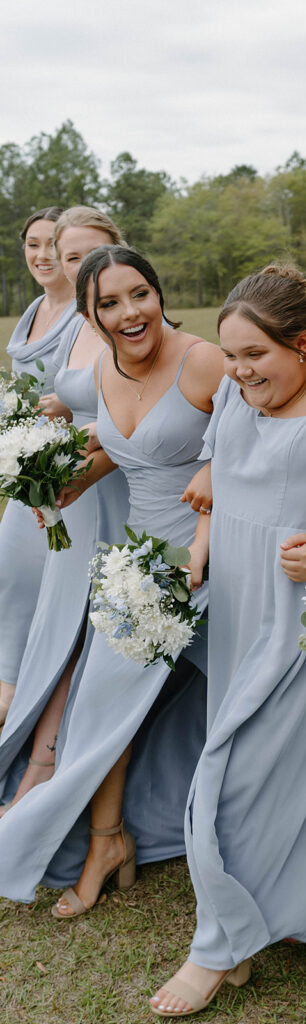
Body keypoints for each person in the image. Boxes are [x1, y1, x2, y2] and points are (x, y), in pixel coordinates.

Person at [149, 264, 306, 1017]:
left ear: (301, 344)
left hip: (301, 621)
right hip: (236, 605)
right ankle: (288, 905)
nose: (239, 370)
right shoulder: (234, 394)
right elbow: (221, 477)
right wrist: (199, 547)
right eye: (230, 355)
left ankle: (216, 949)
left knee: (239, 773)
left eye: (255, 355)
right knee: (277, 770)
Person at [0, 246, 223, 911]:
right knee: (100, 704)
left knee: (244, 704)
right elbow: (123, 443)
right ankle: (106, 841)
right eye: (110, 303)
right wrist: (66, 478)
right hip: (141, 566)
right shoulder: (102, 370)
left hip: (213, 562)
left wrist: (214, 469)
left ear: (159, 294)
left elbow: (268, 425)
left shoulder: (202, 361)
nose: (130, 313)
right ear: (90, 318)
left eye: (140, 294)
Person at [0, 207, 129, 815]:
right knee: (35, 614)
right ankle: (26, 742)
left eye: (90, 253)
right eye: (70, 256)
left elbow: (145, 417)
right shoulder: (77, 319)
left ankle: (43, 769)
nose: (80, 266)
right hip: (67, 484)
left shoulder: (124, 319)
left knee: (76, 627)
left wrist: (79, 454)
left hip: (104, 488)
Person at [0, 207, 76, 724]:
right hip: (29, 472)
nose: (43, 255)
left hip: (75, 474)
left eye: (54, 244)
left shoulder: (87, 313)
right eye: (33, 244)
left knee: (55, 593)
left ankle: (34, 704)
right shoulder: (30, 311)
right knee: (11, 578)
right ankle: (9, 687)